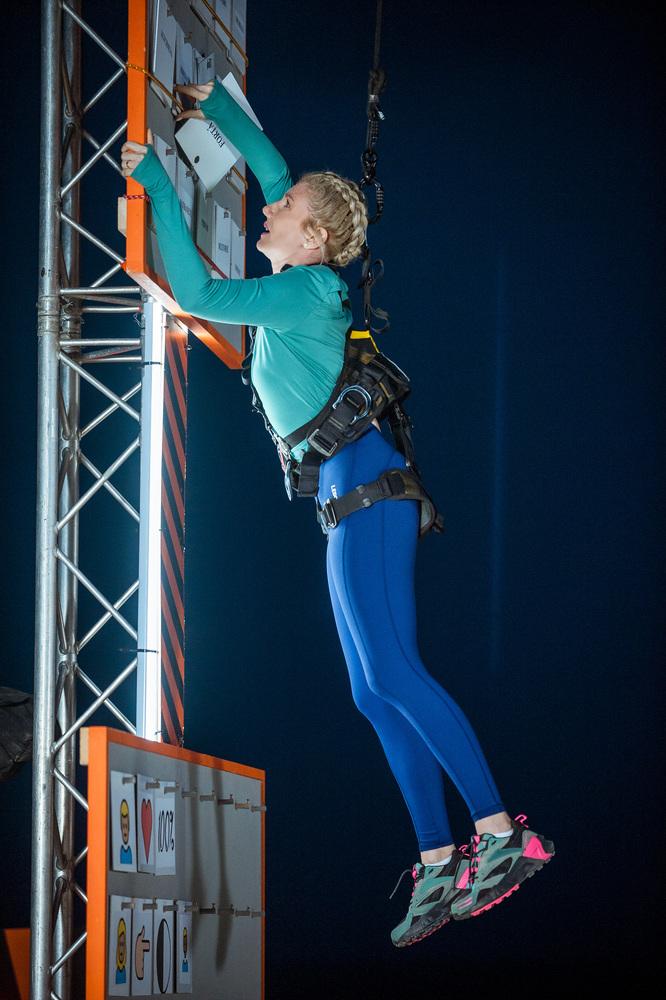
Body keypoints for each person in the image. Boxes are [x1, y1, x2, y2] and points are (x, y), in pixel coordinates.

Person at [121, 78, 555, 948]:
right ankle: (438, 859)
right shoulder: (303, 279)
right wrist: (219, 110)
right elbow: (277, 170)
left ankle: (504, 836)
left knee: (394, 672)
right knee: (369, 688)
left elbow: (199, 292)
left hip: (368, 492)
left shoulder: (306, 290)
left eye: (283, 210)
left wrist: (158, 184)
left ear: (314, 237)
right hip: (343, 501)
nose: (269, 207)